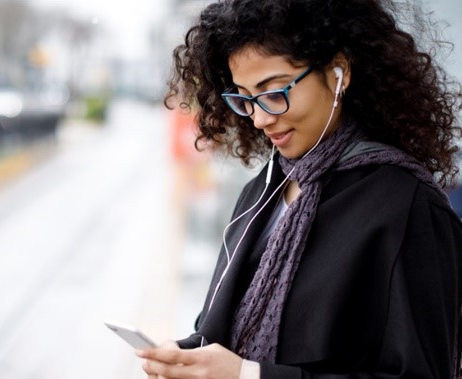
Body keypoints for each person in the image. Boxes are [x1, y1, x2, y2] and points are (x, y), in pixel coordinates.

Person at [137, 0, 462, 378]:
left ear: (339, 72)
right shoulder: (262, 192)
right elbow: (226, 332)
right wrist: (187, 359)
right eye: (244, 98)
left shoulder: (407, 207)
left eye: (274, 92)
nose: (259, 118)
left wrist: (248, 375)